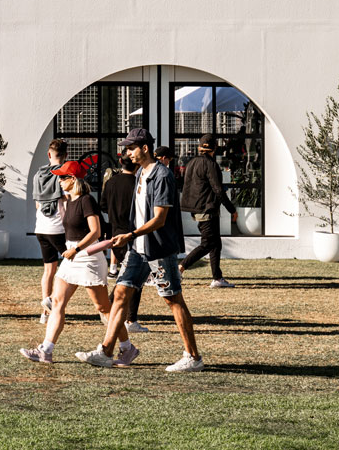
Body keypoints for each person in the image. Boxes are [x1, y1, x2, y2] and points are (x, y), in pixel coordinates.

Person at [78, 128, 204, 372]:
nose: (127, 153)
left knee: (173, 299)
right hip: (138, 249)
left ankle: (193, 357)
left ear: (145, 148)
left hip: (158, 250)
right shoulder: (140, 173)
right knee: (121, 294)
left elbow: (159, 219)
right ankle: (106, 351)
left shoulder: (162, 175)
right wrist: (130, 237)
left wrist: (131, 234)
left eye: (131, 148)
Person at [20, 161, 112, 363]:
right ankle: (46, 350)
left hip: (88, 257)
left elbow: (96, 231)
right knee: (57, 302)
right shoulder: (68, 200)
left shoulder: (87, 201)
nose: (59, 181)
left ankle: (126, 346)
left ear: (73, 179)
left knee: (103, 307)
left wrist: (76, 249)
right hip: (72, 257)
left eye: (62, 177)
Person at [180, 133, 238, 288]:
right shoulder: (210, 164)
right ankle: (180, 268)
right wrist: (232, 209)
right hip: (207, 208)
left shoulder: (192, 162)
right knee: (207, 244)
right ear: (215, 148)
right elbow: (218, 190)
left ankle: (217, 278)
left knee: (216, 244)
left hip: (198, 208)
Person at [100, 153, 146, 333]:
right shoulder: (138, 184)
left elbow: (103, 205)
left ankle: (111, 308)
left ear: (120, 162)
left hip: (115, 233)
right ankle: (130, 318)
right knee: (134, 279)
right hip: (134, 233)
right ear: (136, 164)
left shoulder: (111, 182)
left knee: (127, 276)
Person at [31, 139, 68, 323]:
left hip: (41, 227)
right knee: (71, 266)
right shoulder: (65, 174)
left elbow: (37, 204)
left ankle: (45, 314)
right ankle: (53, 301)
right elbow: (67, 201)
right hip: (59, 227)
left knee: (48, 270)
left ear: (48, 154)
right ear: (66, 155)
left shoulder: (38, 175)